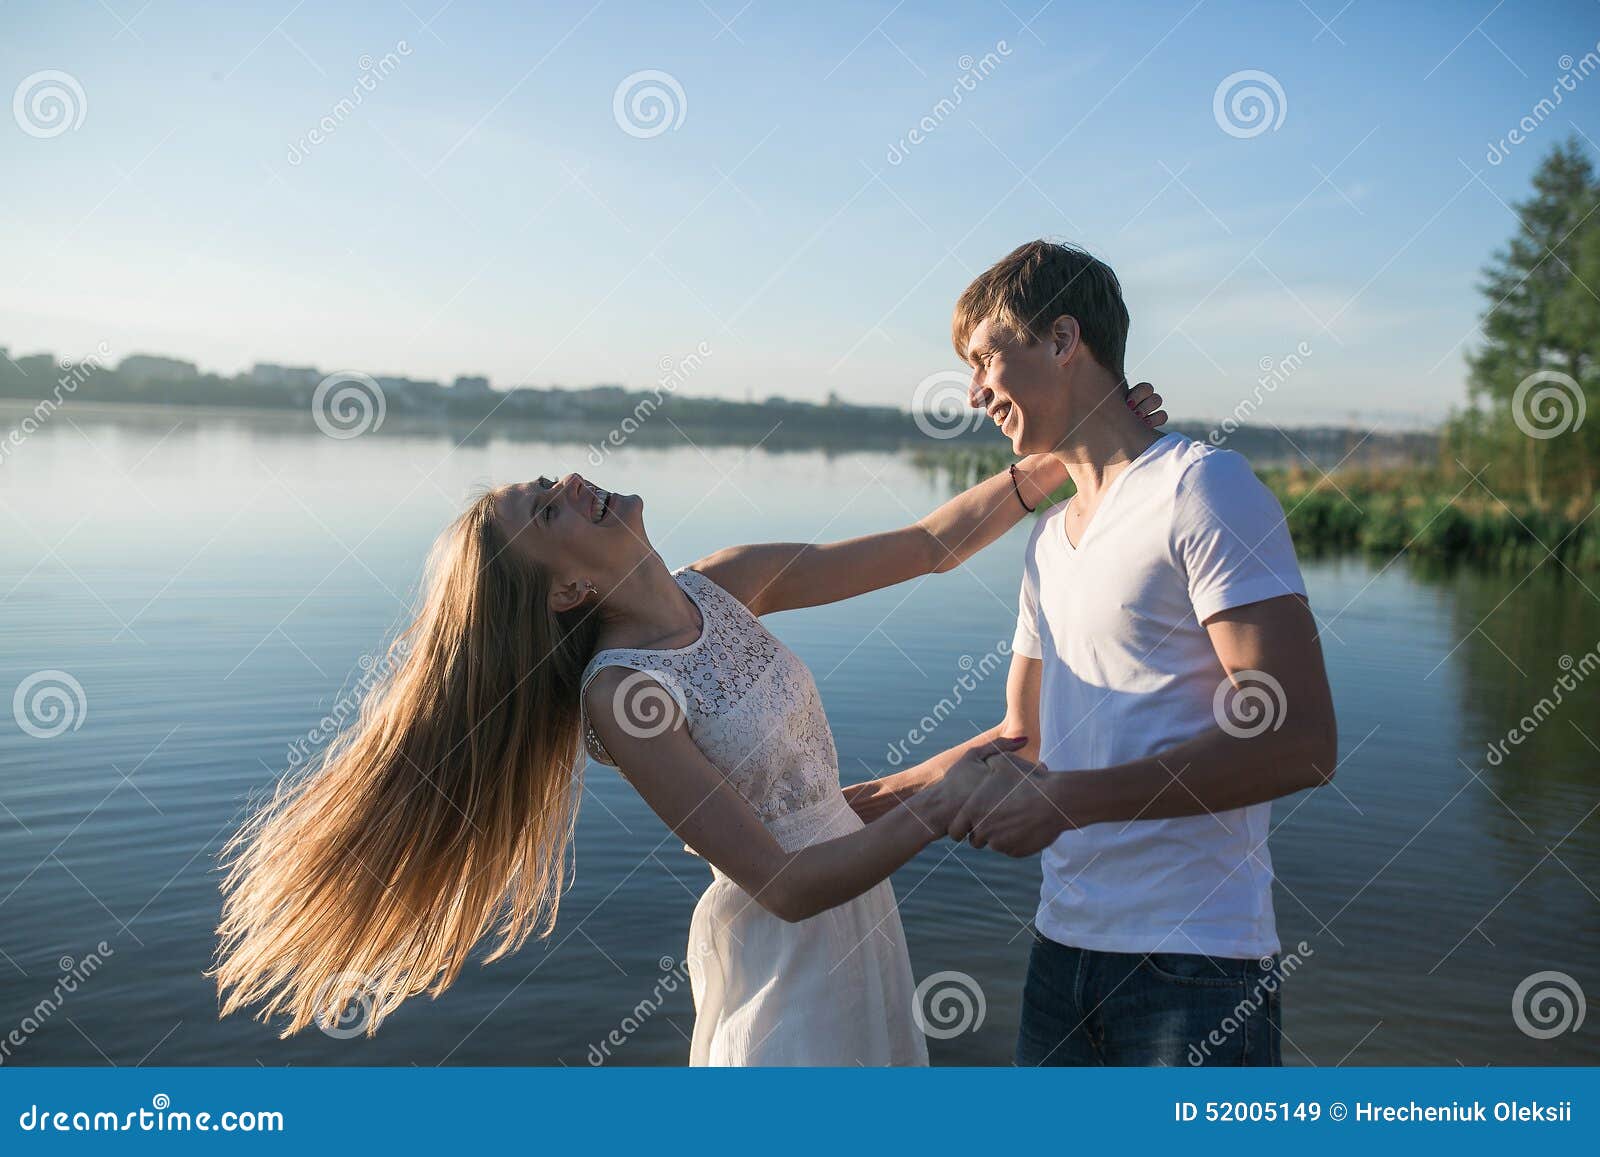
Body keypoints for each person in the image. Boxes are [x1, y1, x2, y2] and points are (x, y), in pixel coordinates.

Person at [210, 380, 1167, 1065]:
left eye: (551, 480)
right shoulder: (623, 696)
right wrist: (941, 806)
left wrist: (1063, 461)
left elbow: (926, 547)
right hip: (790, 964)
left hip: (861, 935)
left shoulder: (731, 583)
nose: (575, 482)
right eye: (549, 509)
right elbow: (787, 881)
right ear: (570, 588)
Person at [845, 240, 1337, 1066]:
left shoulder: (1202, 489)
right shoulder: (1047, 539)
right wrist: (849, 804)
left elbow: (1299, 741)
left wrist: (1069, 802)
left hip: (1198, 966)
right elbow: (1021, 740)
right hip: (1060, 954)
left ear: (1063, 339)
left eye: (985, 359)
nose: (974, 391)